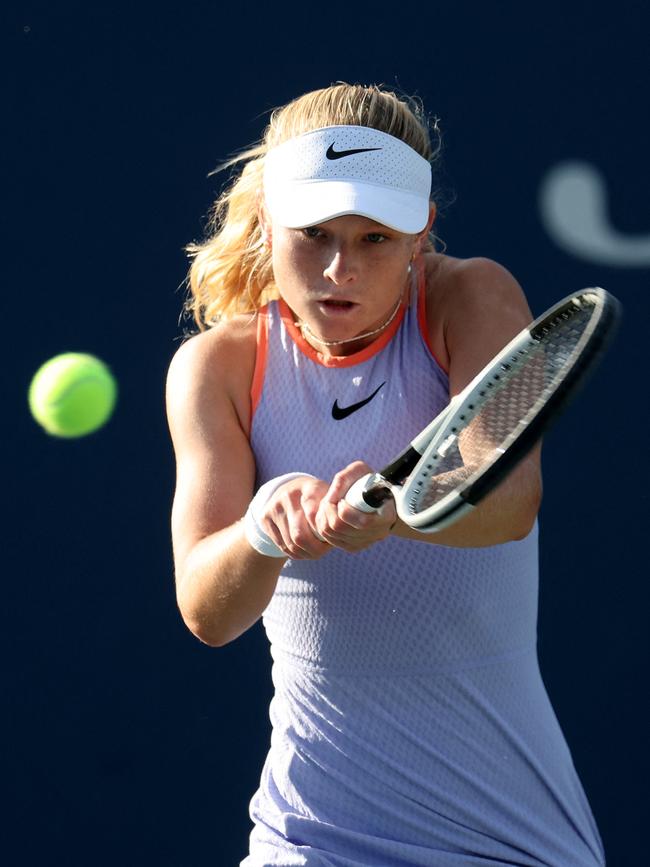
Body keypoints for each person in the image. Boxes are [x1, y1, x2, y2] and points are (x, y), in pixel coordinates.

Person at [166, 83, 605, 866]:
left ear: (421, 234)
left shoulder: (469, 297)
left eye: (376, 238)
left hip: (507, 840)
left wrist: (393, 513)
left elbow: (508, 499)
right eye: (315, 233)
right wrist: (266, 524)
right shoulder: (219, 367)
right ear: (268, 219)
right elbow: (207, 610)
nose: (342, 267)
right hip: (309, 836)